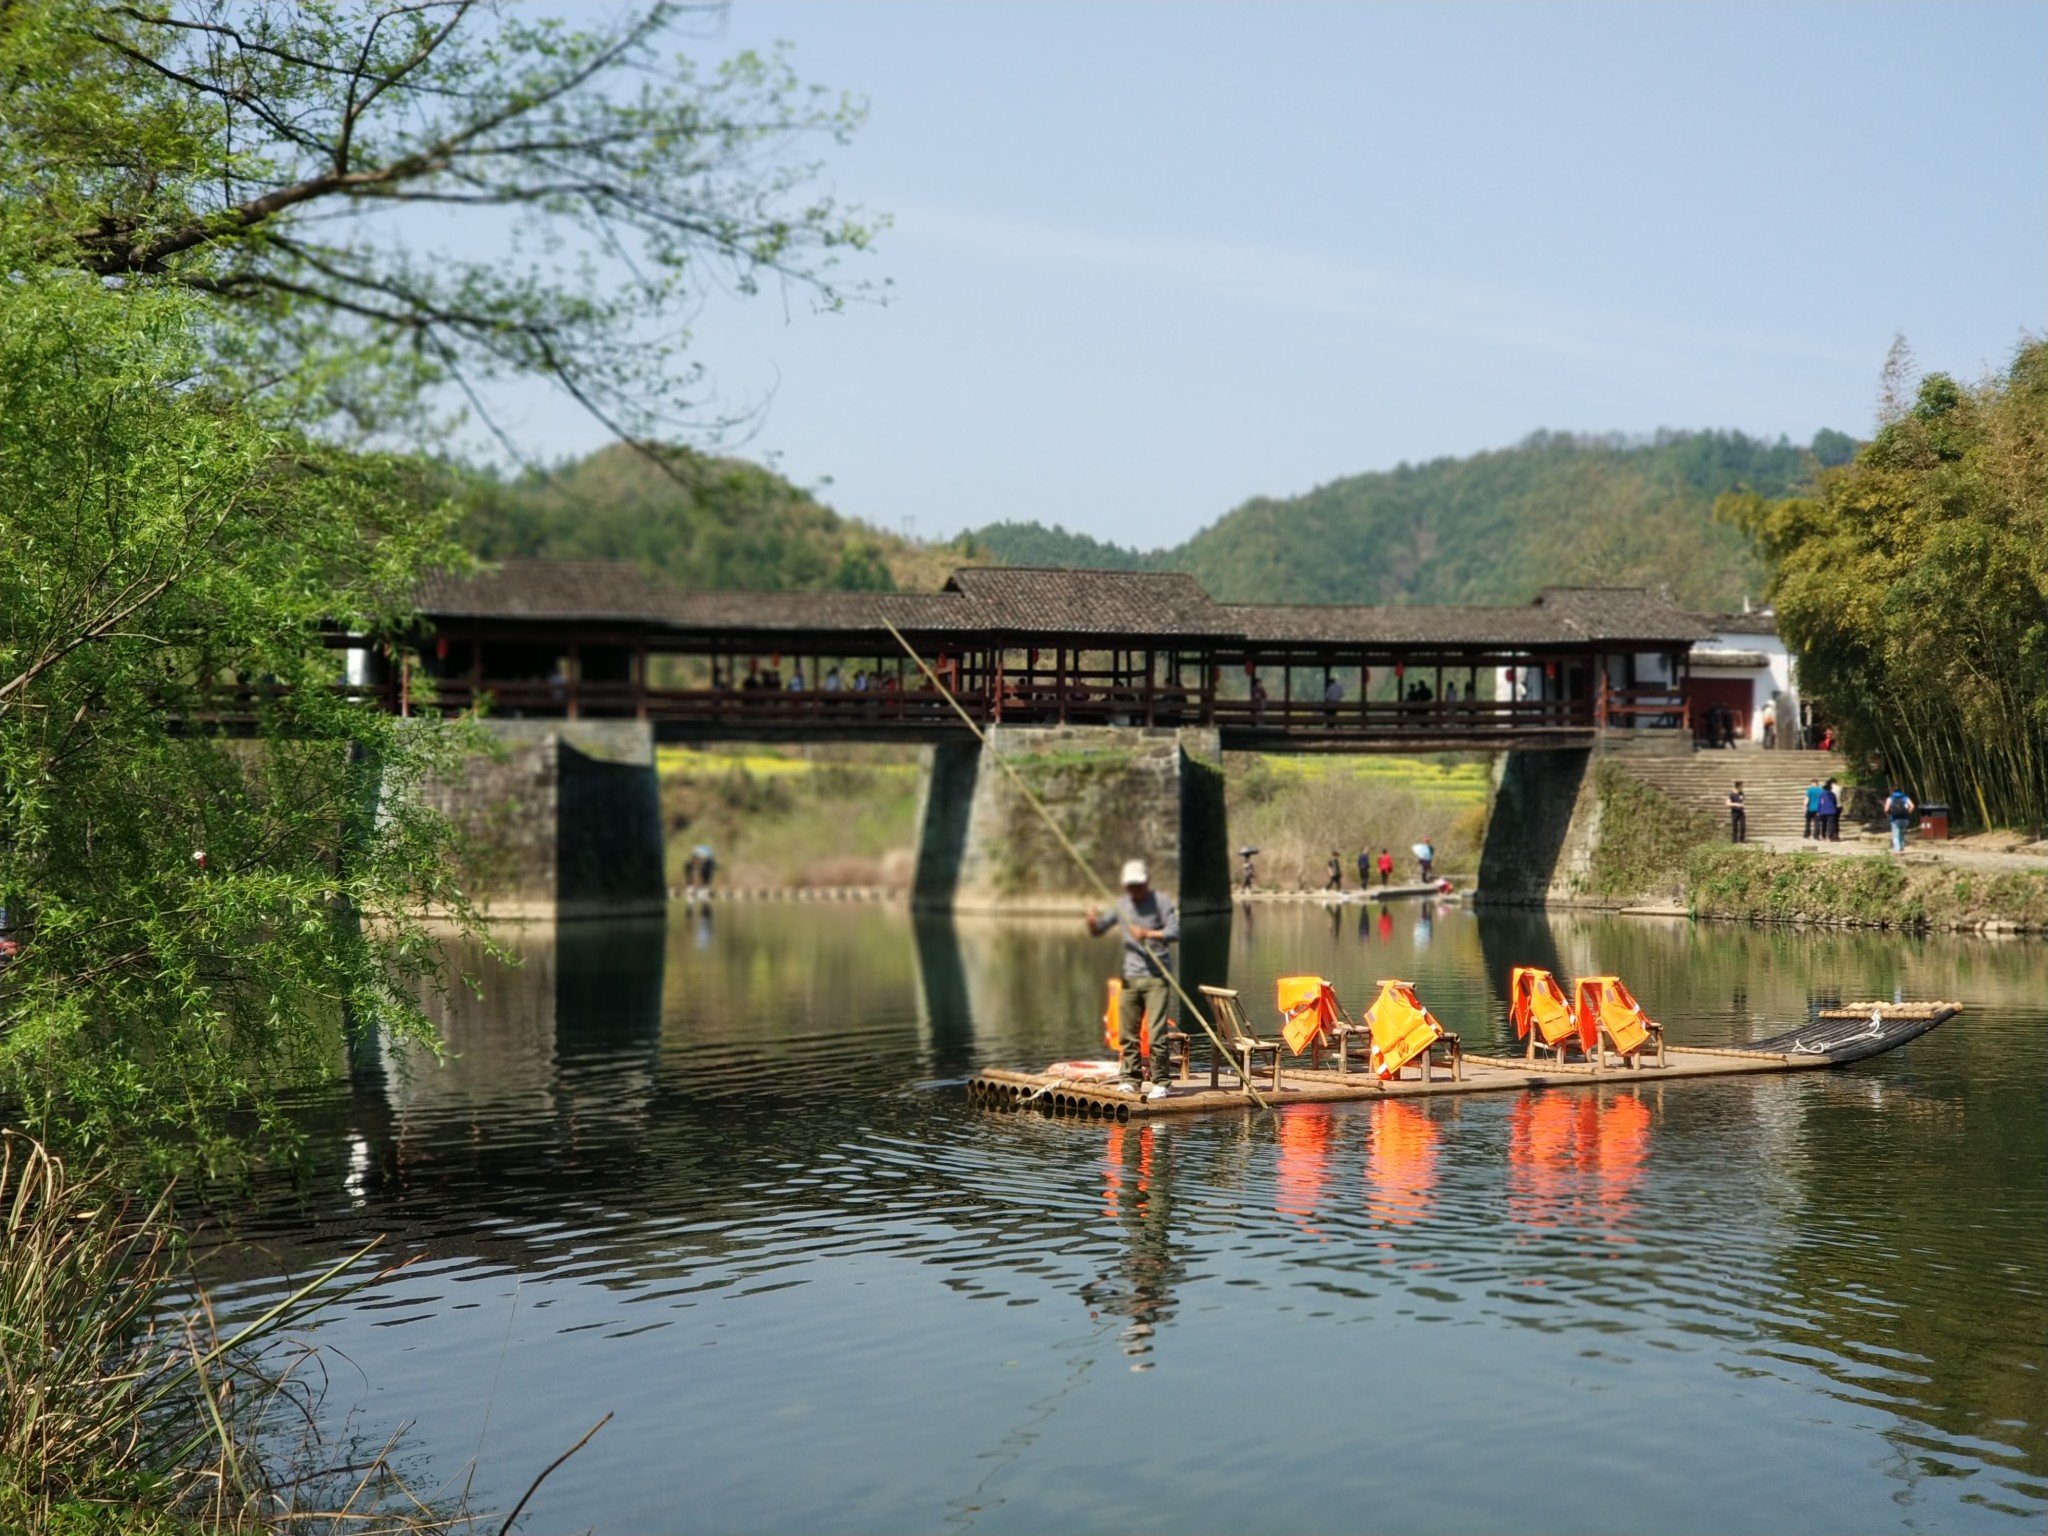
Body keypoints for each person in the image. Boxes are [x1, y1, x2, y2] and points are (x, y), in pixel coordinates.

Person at [1085, 860, 1180, 1099]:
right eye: (1131, 886)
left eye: (1139, 885)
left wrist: (1148, 934)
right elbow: (1099, 930)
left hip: (1156, 978)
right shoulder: (1122, 905)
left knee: (1156, 1032)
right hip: (1130, 978)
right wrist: (1092, 922)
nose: (1135, 889)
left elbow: (1174, 932)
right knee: (1128, 1033)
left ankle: (1161, 1081)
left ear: (1146, 882)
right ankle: (1130, 1078)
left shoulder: (1160, 902)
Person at [1884, 784, 1917, 854]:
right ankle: (1901, 847)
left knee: (1895, 835)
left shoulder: (1890, 798)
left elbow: (1886, 809)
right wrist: (1907, 813)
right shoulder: (1905, 797)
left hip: (1895, 819)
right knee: (1901, 833)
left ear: (1893, 791)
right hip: (1905, 819)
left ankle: (1897, 851)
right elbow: (1912, 806)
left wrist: (1888, 814)